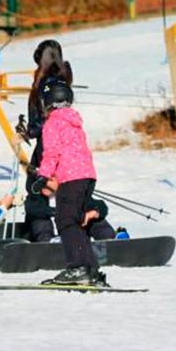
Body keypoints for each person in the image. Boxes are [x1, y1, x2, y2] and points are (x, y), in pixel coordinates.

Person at [32, 80, 108, 286]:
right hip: (87, 177)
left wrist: (43, 176)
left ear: (48, 101)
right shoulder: (74, 122)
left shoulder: (52, 123)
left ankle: (78, 267)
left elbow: (52, 152)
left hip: (71, 178)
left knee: (65, 221)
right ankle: (90, 269)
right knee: (76, 221)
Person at [20, 40, 74, 242]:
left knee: (36, 192)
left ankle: (43, 236)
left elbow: (42, 121)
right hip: (67, 142)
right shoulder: (63, 77)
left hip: (47, 146)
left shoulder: (44, 83)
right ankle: (100, 231)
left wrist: (27, 132)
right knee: (71, 189)